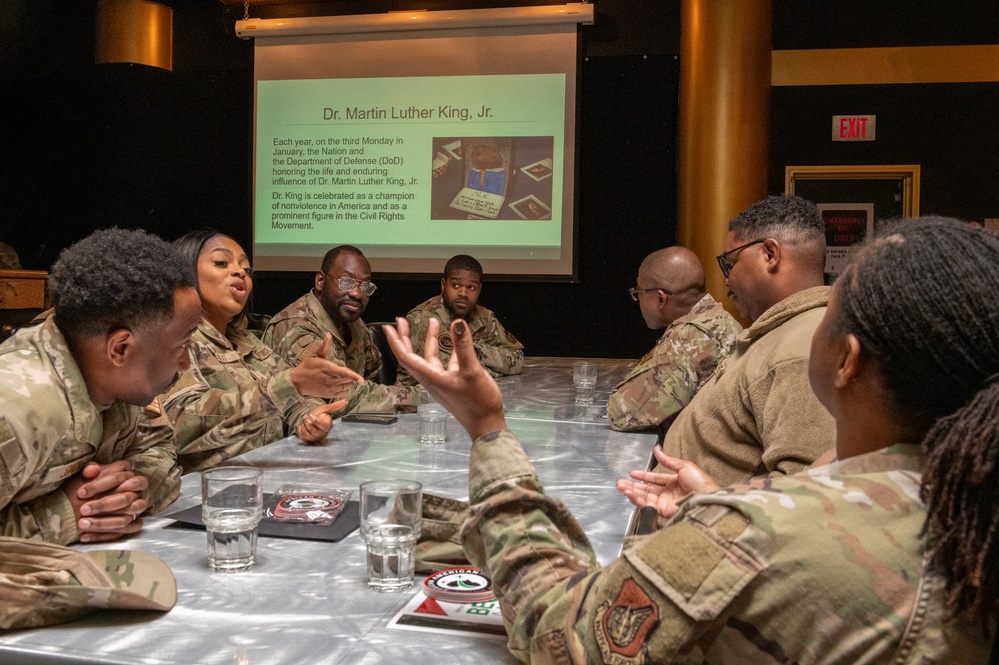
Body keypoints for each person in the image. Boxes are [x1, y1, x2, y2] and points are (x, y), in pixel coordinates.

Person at [384, 216, 995, 663]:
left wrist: (488, 430)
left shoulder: (760, 535)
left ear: (847, 361)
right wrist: (716, 504)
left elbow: (559, 628)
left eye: (829, 310)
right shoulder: (968, 505)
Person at [0, 228, 200, 545]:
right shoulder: (16, 412)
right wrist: (66, 516)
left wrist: (127, 494)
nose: (186, 363)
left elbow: (158, 449)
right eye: (182, 345)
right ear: (120, 348)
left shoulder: (120, 381)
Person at [145, 230, 362, 473]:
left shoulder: (246, 339)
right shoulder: (173, 340)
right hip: (212, 489)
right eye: (221, 263)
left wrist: (308, 418)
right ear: (183, 272)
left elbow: (294, 396)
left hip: (271, 475)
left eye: (246, 269)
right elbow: (181, 423)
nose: (240, 272)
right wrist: (290, 384)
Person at [654, 195, 835, 487]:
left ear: (770, 254)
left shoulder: (802, 350)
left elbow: (804, 494)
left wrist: (708, 501)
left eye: (730, 263)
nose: (726, 280)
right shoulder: (787, 332)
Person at [262, 245, 415, 413]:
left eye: (365, 286)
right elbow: (340, 394)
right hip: (297, 432)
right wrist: (421, 398)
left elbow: (372, 371)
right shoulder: (294, 327)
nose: (357, 294)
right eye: (346, 282)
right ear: (320, 281)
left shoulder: (352, 322)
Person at [607, 246, 742, 432]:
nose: (639, 300)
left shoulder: (690, 338)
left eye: (639, 292)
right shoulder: (718, 319)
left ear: (660, 298)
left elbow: (624, 413)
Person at [394, 254, 523, 387]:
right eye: (455, 285)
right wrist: (496, 368)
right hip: (418, 401)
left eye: (471, 287)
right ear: (443, 285)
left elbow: (517, 359)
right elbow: (456, 373)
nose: (463, 293)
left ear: (479, 289)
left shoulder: (485, 317)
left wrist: (476, 351)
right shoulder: (423, 318)